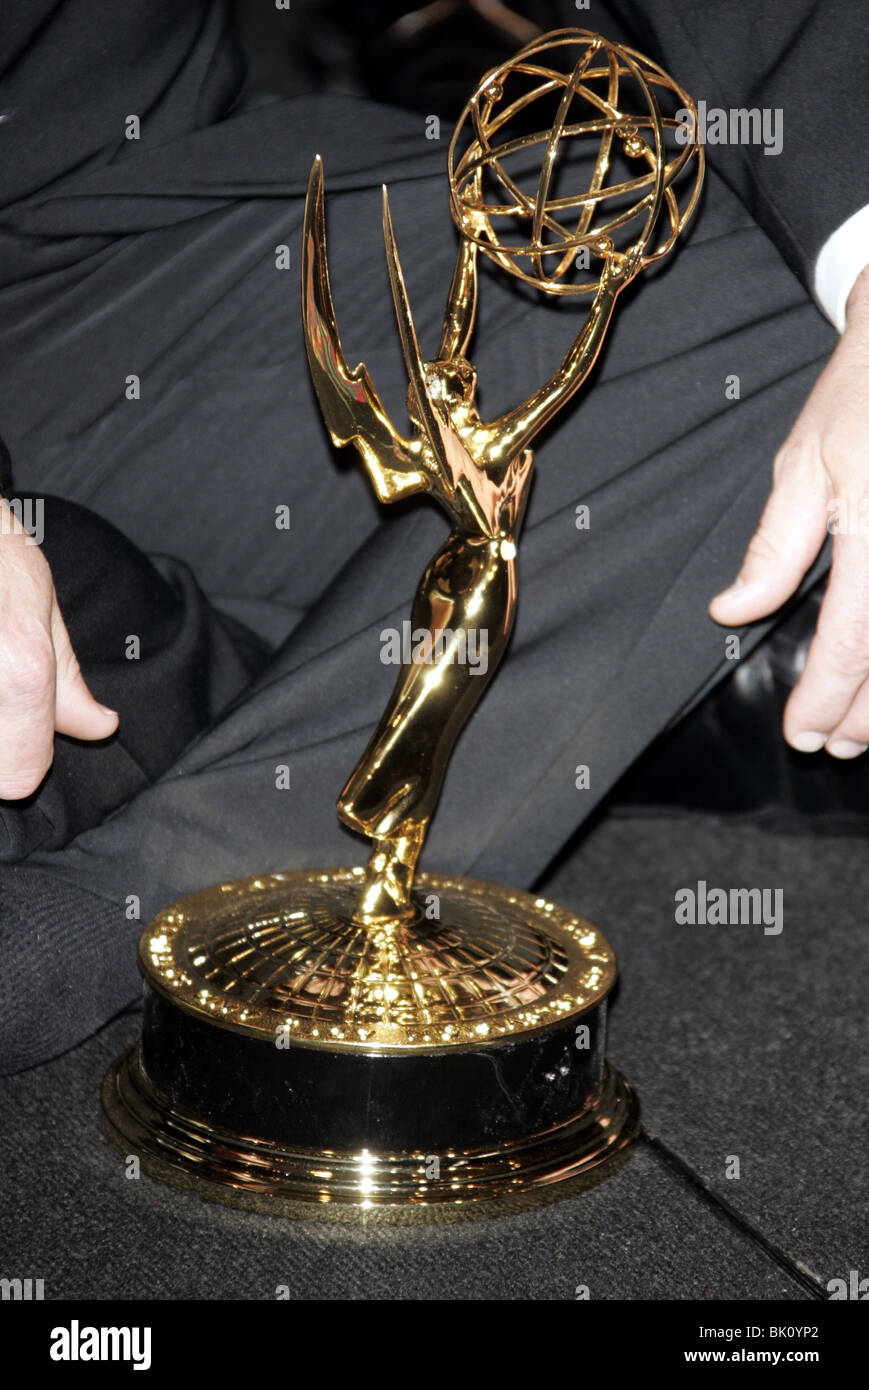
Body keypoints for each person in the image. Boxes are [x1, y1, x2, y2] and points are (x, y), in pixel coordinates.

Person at [0, 0, 866, 1072]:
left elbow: (544, 361)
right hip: (443, 560)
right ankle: (217, 714)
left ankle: (199, 765)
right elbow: (430, 383)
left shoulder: (470, 418)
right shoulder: (425, 435)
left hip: (91, 251)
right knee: (411, 698)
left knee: (777, 282)